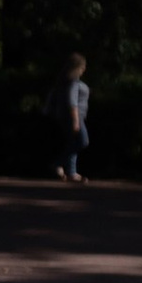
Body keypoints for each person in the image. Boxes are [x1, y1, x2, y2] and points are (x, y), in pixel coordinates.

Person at [57, 51, 90, 184]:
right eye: (82, 67)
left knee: (73, 143)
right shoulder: (73, 83)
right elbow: (72, 102)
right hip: (76, 118)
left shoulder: (71, 82)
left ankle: (70, 171)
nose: (84, 69)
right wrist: (76, 120)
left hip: (75, 117)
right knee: (83, 141)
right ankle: (59, 163)